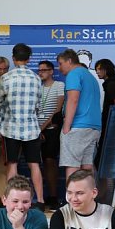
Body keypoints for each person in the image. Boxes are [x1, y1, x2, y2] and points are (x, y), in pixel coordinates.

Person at [0, 43, 45, 211]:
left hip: (10, 127)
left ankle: (13, 202)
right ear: (29, 59)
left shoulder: (6, 78)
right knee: (34, 164)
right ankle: (40, 200)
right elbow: (39, 105)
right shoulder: (36, 78)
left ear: (13, 58)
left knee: (12, 164)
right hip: (31, 128)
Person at [57, 49, 101, 179]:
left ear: (69, 61)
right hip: (94, 126)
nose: (59, 68)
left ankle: (72, 199)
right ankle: (88, 198)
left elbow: (73, 99)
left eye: (60, 63)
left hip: (78, 126)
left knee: (72, 165)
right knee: (87, 166)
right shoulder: (90, 76)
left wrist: (66, 126)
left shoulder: (74, 74)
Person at [36, 60, 65, 207]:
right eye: (39, 70)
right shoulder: (37, 88)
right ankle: (43, 197)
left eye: (44, 70)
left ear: (52, 71)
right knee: (39, 164)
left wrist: (42, 128)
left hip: (51, 130)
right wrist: (37, 129)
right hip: (37, 130)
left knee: (50, 161)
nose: (41, 72)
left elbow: (57, 110)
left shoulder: (59, 86)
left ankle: (53, 196)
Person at [94, 58, 115, 168]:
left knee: (104, 159)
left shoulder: (111, 84)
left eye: (99, 69)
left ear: (106, 70)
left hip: (111, 127)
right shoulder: (113, 83)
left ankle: (107, 185)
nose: (97, 72)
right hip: (111, 126)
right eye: (96, 69)